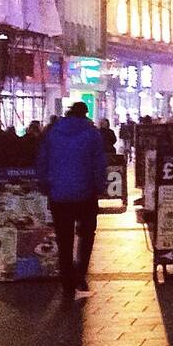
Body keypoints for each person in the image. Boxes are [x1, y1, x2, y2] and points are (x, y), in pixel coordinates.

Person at [35, 100, 108, 298]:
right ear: (85, 114)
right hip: (86, 194)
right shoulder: (92, 133)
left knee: (64, 239)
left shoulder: (52, 131)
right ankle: (80, 273)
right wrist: (100, 186)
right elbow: (99, 164)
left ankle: (67, 283)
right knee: (86, 234)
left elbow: (42, 160)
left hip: (59, 195)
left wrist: (44, 183)